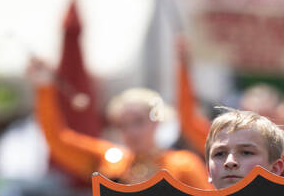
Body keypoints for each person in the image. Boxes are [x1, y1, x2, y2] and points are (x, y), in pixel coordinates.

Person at [28, 56, 207, 187]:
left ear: (157, 121)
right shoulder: (109, 158)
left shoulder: (183, 164)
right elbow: (57, 139)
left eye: (138, 122)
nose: (131, 132)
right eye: (123, 125)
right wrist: (44, 88)